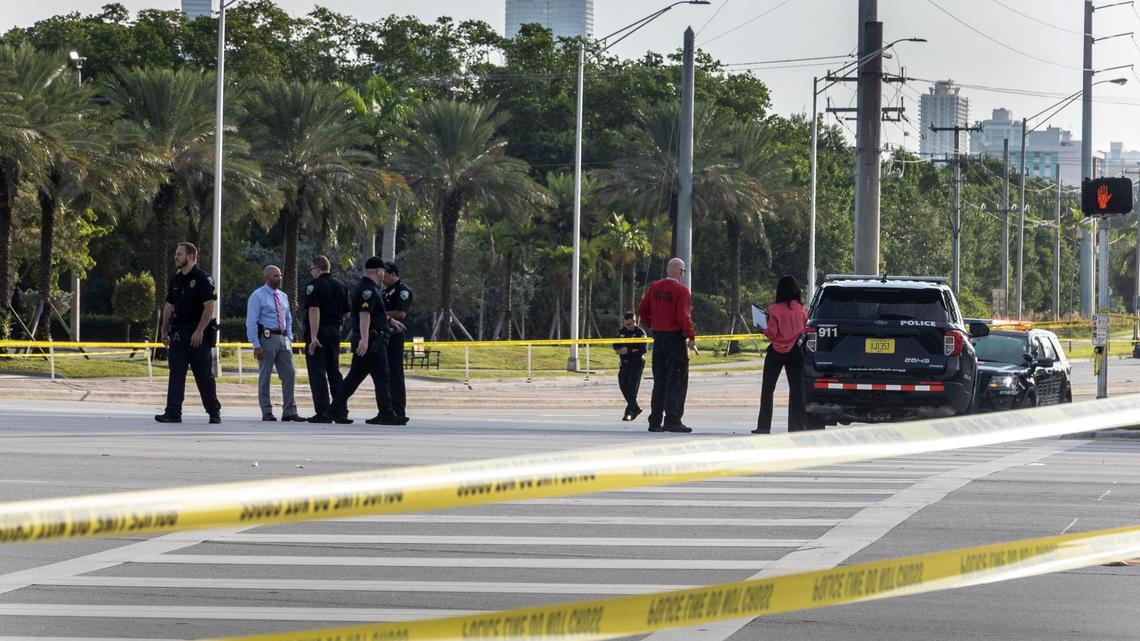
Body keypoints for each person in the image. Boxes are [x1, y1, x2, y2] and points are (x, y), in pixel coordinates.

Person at [311, 257, 407, 426]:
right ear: (378, 271)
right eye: (383, 270)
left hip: (369, 340)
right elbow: (364, 315)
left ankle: (333, 410)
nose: (384, 273)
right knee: (382, 376)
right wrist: (364, 339)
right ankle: (386, 413)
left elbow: (374, 313)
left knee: (353, 379)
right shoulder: (367, 290)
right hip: (371, 341)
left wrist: (390, 321)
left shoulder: (369, 288)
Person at [155, 242, 222, 424]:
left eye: (179, 254)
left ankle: (213, 412)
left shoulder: (203, 279)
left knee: (203, 376)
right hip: (179, 334)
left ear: (190, 256)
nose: (176, 257)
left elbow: (209, 308)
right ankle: (173, 412)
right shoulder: (176, 280)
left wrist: (199, 330)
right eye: (176, 254)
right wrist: (164, 331)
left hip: (197, 335)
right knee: (176, 373)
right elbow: (169, 306)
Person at [637, 257, 696, 433]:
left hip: (659, 338)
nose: (683, 275)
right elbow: (683, 317)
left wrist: (653, 323)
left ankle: (655, 421)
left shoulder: (655, 287)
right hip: (675, 339)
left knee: (660, 380)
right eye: (683, 271)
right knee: (677, 380)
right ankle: (673, 419)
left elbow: (642, 310)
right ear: (679, 271)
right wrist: (691, 335)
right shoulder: (682, 291)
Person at [246, 265, 303, 422]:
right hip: (267, 339)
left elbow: (288, 318)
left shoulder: (283, 296)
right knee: (265, 376)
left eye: (280, 275)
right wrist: (256, 344)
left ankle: (289, 411)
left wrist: (289, 337)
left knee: (290, 373)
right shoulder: (257, 296)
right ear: (267, 278)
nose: (279, 278)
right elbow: (251, 322)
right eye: (275, 276)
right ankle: (267, 411)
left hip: (283, 339)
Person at [754, 275, 808, 435]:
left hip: (776, 352)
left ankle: (764, 426)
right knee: (797, 390)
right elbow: (805, 328)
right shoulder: (800, 309)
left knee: (768, 389)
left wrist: (762, 328)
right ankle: (797, 427)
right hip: (796, 351)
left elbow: (772, 332)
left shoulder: (773, 309)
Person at [303, 255, 349, 419]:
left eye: (311, 269)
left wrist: (313, 336)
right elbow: (346, 313)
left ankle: (322, 411)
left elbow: (314, 310)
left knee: (318, 373)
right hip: (334, 332)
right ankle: (340, 410)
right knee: (334, 371)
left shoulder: (313, 286)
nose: (311, 272)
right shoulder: (341, 286)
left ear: (317, 268)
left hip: (319, 332)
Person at [381, 261, 413, 420]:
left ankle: (398, 410)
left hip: (395, 334)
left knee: (395, 374)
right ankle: (387, 410)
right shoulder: (385, 292)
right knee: (385, 374)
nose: (383, 278)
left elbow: (401, 313)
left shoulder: (402, 291)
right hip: (384, 335)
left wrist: (380, 314)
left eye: (385, 274)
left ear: (393, 274)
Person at [613, 311, 647, 421]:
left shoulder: (640, 333)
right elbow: (615, 344)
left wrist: (629, 350)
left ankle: (629, 411)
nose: (627, 326)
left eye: (629, 324)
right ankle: (636, 408)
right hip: (624, 362)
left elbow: (643, 349)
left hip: (636, 362)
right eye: (625, 324)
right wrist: (618, 350)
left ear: (634, 322)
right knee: (623, 384)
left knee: (632, 388)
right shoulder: (622, 332)